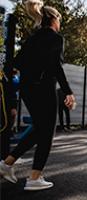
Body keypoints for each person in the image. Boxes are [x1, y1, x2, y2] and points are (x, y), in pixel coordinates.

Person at [0, 0, 75, 191]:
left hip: (27, 89)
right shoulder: (56, 38)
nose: (60, 24)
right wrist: (68, 92)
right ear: (54, 19)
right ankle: (34, 177)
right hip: (44, 89)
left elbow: (17, 62)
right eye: (60, 19)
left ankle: (7, 163)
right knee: (46, 132)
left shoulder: (33, 38)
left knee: (39, 129)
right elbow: (55, 66)